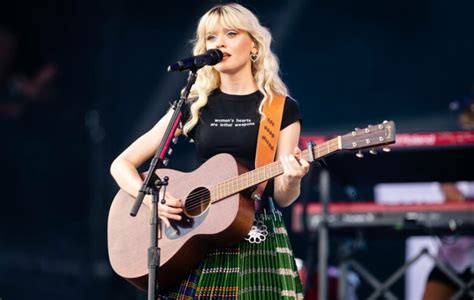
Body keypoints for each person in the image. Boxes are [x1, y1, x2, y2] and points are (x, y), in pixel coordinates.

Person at [110, 3, 309, 299]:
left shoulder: (280, 109)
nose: (219, 44)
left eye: (230, 33)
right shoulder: (194, 104)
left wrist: (292, 178)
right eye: (211, 38)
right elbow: (121, 164)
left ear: (254, 45)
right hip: (197, 237)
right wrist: (154, 201)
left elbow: (283, 196)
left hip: (254, 233)